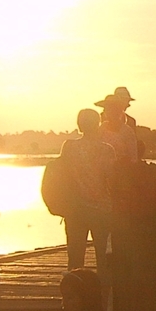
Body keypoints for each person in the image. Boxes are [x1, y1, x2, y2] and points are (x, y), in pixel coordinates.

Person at [45, 109, 116, 271]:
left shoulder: (69, 147)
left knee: (75, 258)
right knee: (103, 258)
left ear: (79, 125)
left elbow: (61, 175)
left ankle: (75, 287)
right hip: (102, 211)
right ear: (97, 125)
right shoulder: (107, 150)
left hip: (74, 209)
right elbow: (112, 181)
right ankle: (102, 292)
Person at [97, 93, 139, 164]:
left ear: (118, 110)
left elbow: (133, 156)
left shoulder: (127, 131)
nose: (106, 111)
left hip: (121, 168)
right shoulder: (102, 127)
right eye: (106, 108)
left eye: (110, 108)